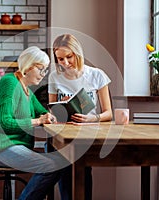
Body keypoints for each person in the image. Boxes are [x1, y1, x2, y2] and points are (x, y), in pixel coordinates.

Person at [0, 46, 70, 200]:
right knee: (51, 166)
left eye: (45, 70)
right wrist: (38, 121)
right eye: (41, 69)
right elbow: (4, 122)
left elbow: (42, 112)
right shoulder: (9, 83)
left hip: (16, 147)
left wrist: (55, 111)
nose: (43, 74)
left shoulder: (27, 90)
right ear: (28, 67)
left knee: (65, 161)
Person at [48, 34, 113, 199]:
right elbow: (51, 111)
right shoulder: (55, 77)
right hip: (63, 134)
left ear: (78, 53)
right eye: (60, 59)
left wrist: (92, 118)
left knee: (83, 176)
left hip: (87, 134)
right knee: (65, 175)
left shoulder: (96, 75)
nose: (65, 63)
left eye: (69, 57)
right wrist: (59, 111)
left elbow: (108, 113)